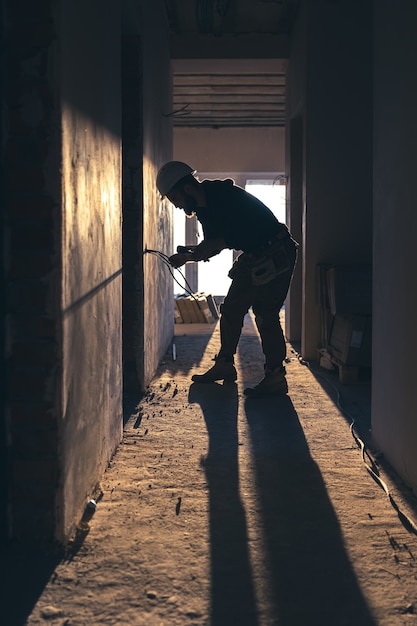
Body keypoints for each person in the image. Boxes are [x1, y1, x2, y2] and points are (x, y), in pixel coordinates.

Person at [156, 161, 298, 397]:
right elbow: (214, 245)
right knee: (231, 308)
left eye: (176, 199)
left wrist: (207, 247)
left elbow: (235, 234)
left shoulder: (225, 197)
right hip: (255, 255)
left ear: (187, 189)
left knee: (265, 314)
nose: (178, 206)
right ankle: (224, 364)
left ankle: (275, 377)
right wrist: (188, 257)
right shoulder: (203, 210)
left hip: (277, 252)